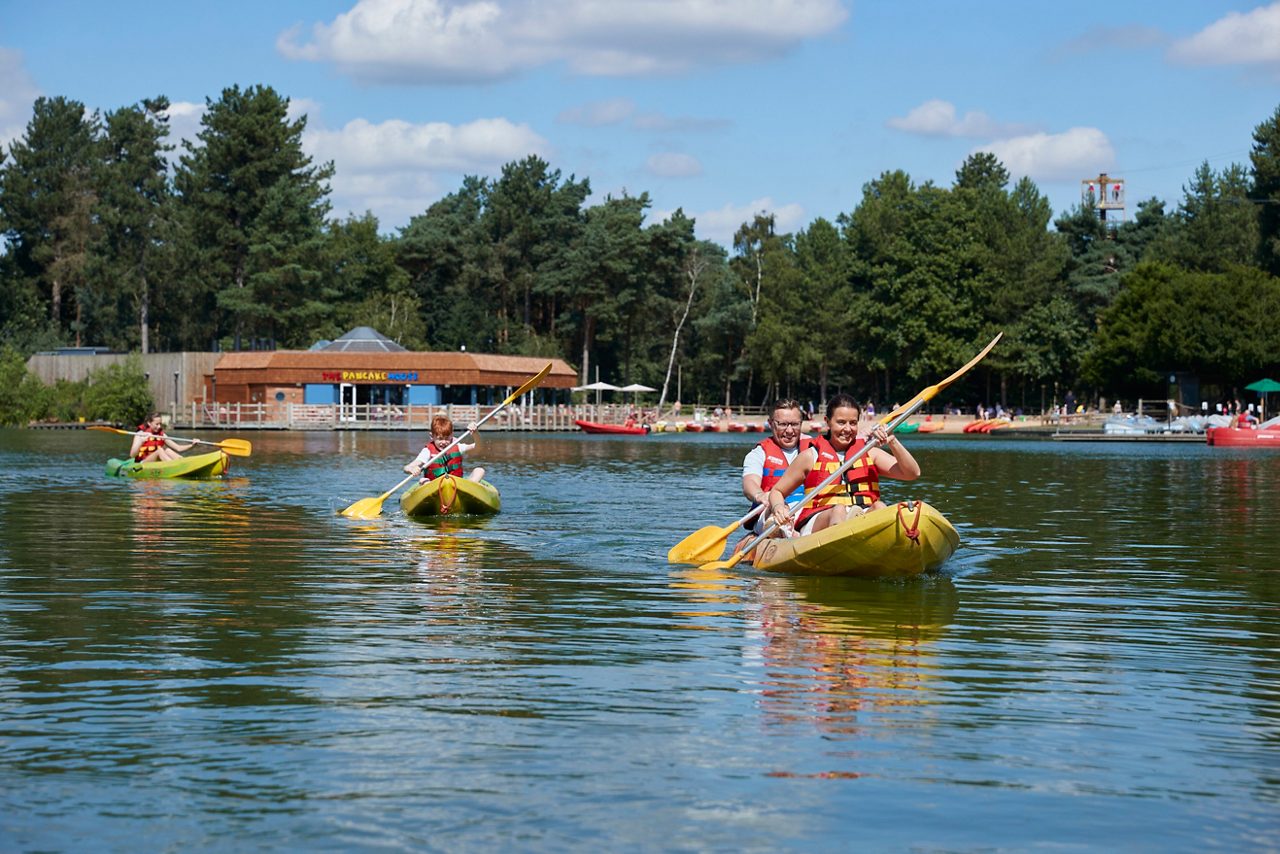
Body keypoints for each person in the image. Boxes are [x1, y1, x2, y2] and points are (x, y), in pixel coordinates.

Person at [766, 393, 921, 536]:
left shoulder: (869, 452)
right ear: (828, 422)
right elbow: (777, 491)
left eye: (853, 423)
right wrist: (778, 507)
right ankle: (845, 533)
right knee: (839, 509)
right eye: (841, 422)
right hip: (819, 520)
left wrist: (892, 441)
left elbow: (912, 473)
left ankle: (862, 528)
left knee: (879, 507)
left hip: (861, 515)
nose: (847, 429)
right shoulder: (810, 456)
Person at [739, 399, 812, 540]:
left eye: (795, 424)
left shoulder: (814, 448)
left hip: (806, 509)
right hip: (770, 509)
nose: (789, 431)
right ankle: (779, 532)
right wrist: (759, 495)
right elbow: (750, 483)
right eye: (783, 424)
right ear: (771, 423)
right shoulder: (759, 453)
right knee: (777, 515)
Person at [404, 415, 485, 482]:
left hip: (456, 484)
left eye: (447, 438)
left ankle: (468, 490)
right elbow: (407, 467)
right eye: (440, 439)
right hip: (435, 485)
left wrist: (475, 434)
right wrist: (412, 469)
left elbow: (478, 448)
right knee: (423, 480)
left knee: (480, 470)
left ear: (452, 435)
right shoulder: (427, 451)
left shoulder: (457, 446)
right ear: (432, 436)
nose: (444, 442)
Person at [129, 412, 194, 462]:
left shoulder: (162, 435)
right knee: (160, 450)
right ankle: (173, 465)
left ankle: (183, 462)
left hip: (157, 462)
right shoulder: (140, 434)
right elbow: (132, 455)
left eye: (160, 424)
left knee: (167, 450)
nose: (159, 426)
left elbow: (178, 448)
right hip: (143, 462)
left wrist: (192, 445)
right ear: (149, 423)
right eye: (157, 424)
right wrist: (141, 441)